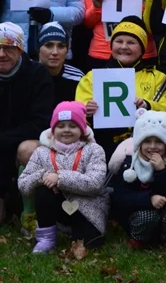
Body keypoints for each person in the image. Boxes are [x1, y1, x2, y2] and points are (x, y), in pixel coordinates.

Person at [76, 17, 166, 156]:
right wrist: (88, 111)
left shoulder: (158, 77)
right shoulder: (92, 77)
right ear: (111, 46)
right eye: (118, 41)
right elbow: (78, 111)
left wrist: (147, 105)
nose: (124, 47)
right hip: (102, 144)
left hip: (147, 145)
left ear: (142, 49)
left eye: (131, 42)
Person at [18, 101, 108, 252]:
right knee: (42, 190)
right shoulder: (41, 152)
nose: (66, 130)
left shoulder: (94, 150)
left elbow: (95, 183)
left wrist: (59, 178)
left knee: (91, 243)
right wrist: (43, 176)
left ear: (82, 128)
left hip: (88, 208)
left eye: (73, 126)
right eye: (61, 126)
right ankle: (46, 238)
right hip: (57, 205)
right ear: (53, 130)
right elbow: (23, 186)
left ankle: (79, 230)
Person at [108, 109, 166, 248]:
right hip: (139, 215)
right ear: (139, 143)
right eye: (147, 141)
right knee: (148, 216)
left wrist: (162, 171)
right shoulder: (129, 165)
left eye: (159, 142)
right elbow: (121, 197)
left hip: (165, 212)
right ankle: (139, 239)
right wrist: (149, 198)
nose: (152, 147)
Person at [0, 22, 55, 224]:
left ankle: (30, 211)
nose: (1, 54)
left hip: (21, 146)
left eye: (8, 48)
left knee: (29, 149)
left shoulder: (38, 75)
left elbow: (39, 124)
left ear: (20, 48)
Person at [37, 23, 84, 104]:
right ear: (38, 49)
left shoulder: (77, 77)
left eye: (61, 46)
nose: (55, 52)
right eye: (48, 45)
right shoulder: (26, 75)